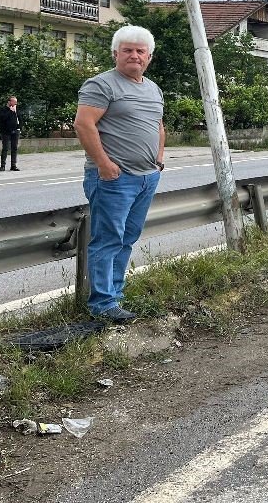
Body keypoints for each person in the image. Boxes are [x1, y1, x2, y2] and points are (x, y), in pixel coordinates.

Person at [73, 25, 165, 323]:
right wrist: (103, 164)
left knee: (127, 238)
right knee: (108, 239)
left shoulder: (153, 88)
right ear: (116, 54)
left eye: (140, 51)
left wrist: (158, 160)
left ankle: (115, 295)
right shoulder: (101, 85)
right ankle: (102, 304)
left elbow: (158, 126)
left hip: (146, 177)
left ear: (149, 57)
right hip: (115, 179)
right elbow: (83, 124)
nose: (134, 56)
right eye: (127, 50)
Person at [0, 95, 22, 172]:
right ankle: (2, 165)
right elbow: (2, 119)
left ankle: (13, 165)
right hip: (6, 131)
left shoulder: (16, 110)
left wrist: (19, 127)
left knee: (14, 148)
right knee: (5, 148)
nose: (15, 104)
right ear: (9, 102)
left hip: (15, 131)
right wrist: (10, 111)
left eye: (16, 102)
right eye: (14, 102)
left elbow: (20, 119)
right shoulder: (3, 110)